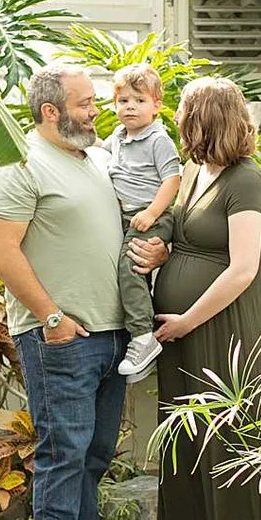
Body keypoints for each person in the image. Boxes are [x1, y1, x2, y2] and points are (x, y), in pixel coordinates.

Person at [0, 64, 144, 520]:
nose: (96, 110)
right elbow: (2, 251)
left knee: (93, 457)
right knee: (62, 456)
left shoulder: (93, 160)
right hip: (61, 339)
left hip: (110, 335)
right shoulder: (17, 165)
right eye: (84, 103)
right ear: (51, 111)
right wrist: (50, 317)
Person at [132, 75, 261, 520]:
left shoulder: (248, 181)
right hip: (184, 335)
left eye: (185, 116)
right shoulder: (197, 174)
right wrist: (159, 257)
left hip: (225, 333)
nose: (176, 124)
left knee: (233, 450)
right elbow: (191, 245)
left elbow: (243, 268)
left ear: (206, 120)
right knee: (189, 449)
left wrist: (187, 320)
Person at [104, 64, 185, 381]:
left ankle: (142, 337)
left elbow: (172, 180)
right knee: (128, 270)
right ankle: (139, 329)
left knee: (131, 267)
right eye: (123, 101)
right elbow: (103, 153)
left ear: (156, 105)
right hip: (128, 217)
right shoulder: (120, 136)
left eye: (138, 100)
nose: (130, 107)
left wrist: (152, 212)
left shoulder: (158, 140)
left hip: (151, 216)